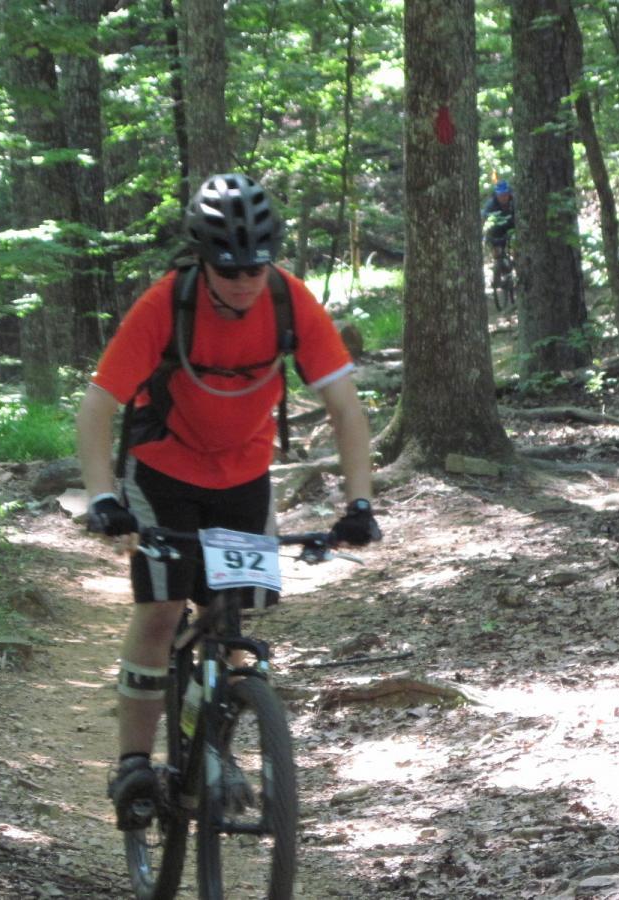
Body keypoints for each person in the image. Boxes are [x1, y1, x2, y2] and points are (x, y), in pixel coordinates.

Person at [75, 172, 381, 830]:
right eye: (228, 267)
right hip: (161, 472)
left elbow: (347, 410)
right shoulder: (168, 304)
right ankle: (133, 761)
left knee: (234, 615)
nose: (243, 281)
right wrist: (103, 497)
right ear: (202, 259)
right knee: (160, 610)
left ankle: (216, 742)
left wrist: (358, 505)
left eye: (255, 266)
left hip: (244, 475)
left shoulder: (290, 303)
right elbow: (98, 407)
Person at [481, 179, 515, 265]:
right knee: (497, 255)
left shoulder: (514, 203)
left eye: (505, 194)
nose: (503, 197)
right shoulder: (491, 205)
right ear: (497, 195)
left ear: (509, 194)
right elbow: (484, 219)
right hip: (497, 233)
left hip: (512, 229)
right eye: (500, 195)